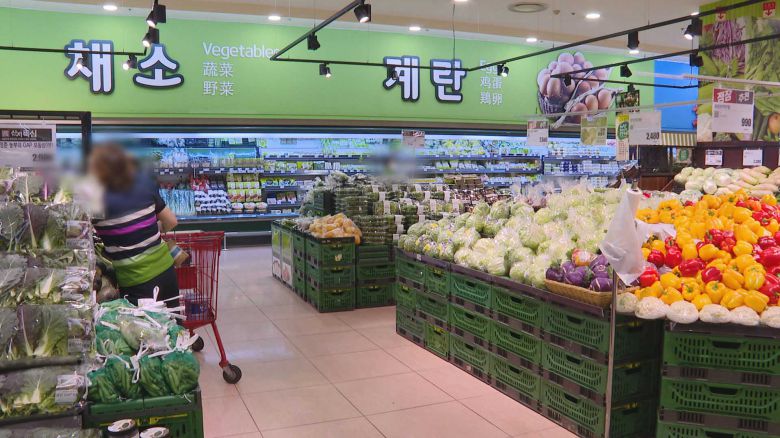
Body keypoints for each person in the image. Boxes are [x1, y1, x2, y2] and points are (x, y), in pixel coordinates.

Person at [89, 144, 180, 306]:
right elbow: (171, 221)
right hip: (166, 271)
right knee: (173, 320)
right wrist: (148, 229)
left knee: (145, 323)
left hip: (136, 280)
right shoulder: (144, 184)